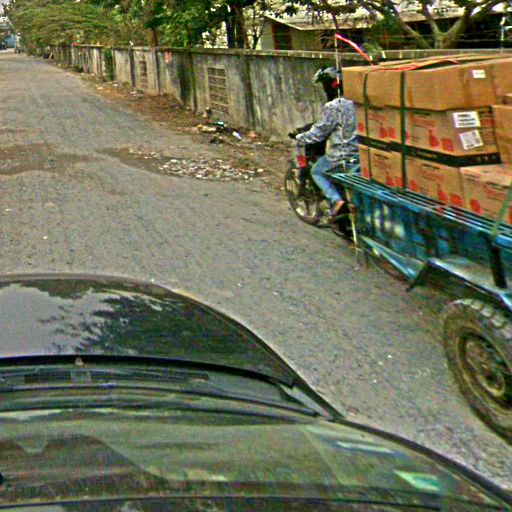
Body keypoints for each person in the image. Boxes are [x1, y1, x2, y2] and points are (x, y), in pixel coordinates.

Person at [295, 67, 358, 216]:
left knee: (317, 171)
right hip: (360, 153)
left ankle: (336, 200)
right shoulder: (357, 101)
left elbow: (319, 133)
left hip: (342, 155)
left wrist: (300, 137)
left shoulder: (334, 106)